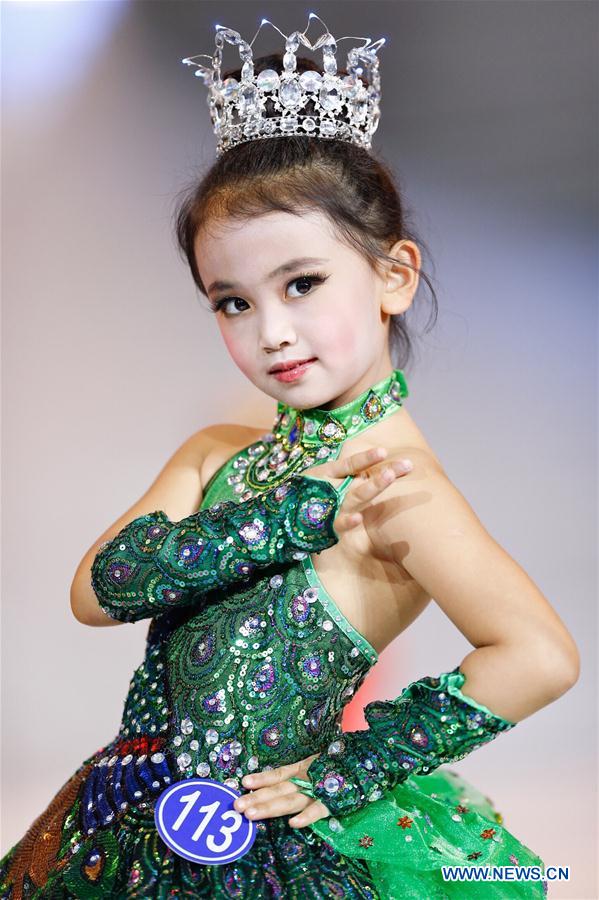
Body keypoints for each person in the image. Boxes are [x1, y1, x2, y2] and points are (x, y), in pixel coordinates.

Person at [0, 16, 579, 900]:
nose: (270, 331)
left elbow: (538, 654)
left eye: (301, 284)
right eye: (230, 302)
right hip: (119, 819)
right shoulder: (215, 452)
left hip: (268, 852)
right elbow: (98, 589)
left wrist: (345, 771)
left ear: (393, 275)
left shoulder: (400, 489)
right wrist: (282, 518)